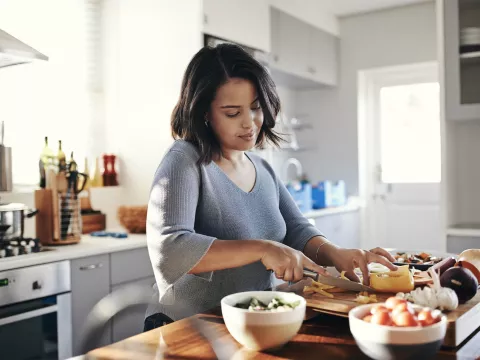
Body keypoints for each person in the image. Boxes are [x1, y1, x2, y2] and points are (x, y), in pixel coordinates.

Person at [144, 43, 396, 330]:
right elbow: (170, 248)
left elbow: (297, 230)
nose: (250, 123)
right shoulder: (183, 161)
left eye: (255, 108)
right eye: (232, 113)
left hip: (246, 323)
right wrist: (262, 248)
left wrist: (336, 254)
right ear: (204, 112)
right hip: (184, 325)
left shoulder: (261, 168)